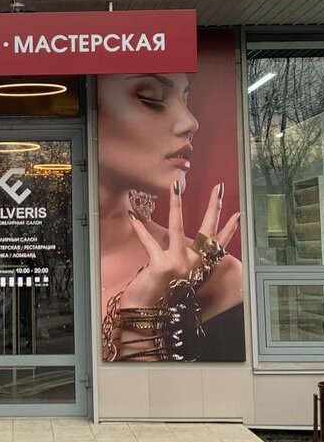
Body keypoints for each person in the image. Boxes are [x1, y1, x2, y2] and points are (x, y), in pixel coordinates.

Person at [99, 72, 244, 363]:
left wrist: (142, 316)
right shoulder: (31, 258)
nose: (191, 122)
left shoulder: (220, 280)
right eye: (150, 97)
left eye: (185, 98)